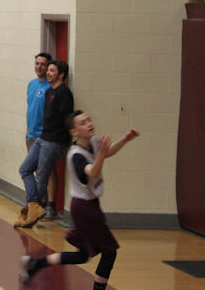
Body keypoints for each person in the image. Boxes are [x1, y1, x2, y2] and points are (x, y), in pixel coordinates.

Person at [20, 111, 140, 289]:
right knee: (109, 253)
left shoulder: (92, 143)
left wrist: (125, 139)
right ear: (74, 132)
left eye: (89, 120)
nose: (89, 123)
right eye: (83, 122)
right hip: (84, 209)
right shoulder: (76, 155)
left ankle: (34, 264)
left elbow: (107, 152)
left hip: (88, 205)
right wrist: (101, 155)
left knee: (82, 255)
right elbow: (93, 172)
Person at [16, 59, 73, 228]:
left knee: (42, 177)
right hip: (43, 137)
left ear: (61, 75)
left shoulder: (64, 93)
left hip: (55, 141)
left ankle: (31, 212)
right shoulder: (49, 92)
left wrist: (71, 137)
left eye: (52, 70)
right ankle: (33, 207)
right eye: (48, 70)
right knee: (25, 169)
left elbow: (67, 118)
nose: (48, 73)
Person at [26, 52, 54, 220]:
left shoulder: (50, 88)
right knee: (36, 170)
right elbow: (30, 108)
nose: (39, 67)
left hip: (44, 136)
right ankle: (39, 204)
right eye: (37, 63)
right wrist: (27, 130)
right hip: (31, 134)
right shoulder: (31, 84)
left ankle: (51, 205)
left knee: (47, 170)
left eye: (43, 64)